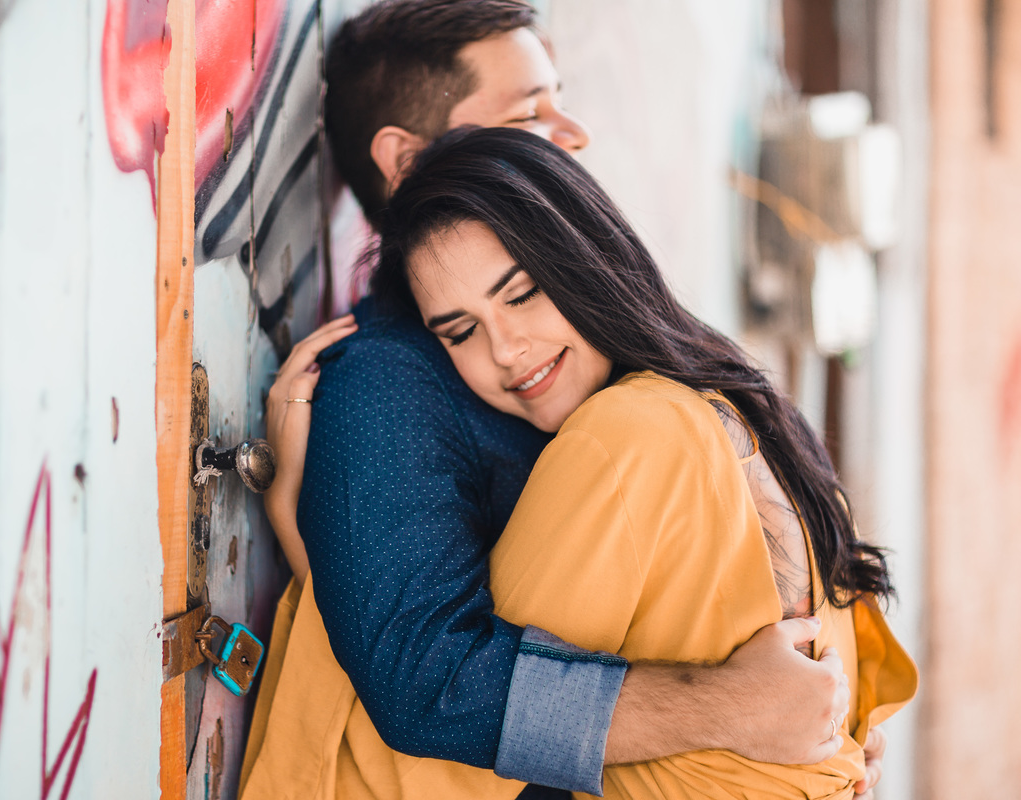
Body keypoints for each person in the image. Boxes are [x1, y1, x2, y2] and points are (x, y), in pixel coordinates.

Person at [241, 2, 876, 797]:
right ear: (408, 161)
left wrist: (838, 725)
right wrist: (731, 710)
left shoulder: (644, 373)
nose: (571, 136)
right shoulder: (390, 384)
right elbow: (424, 680)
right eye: (529, 117)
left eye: (524, 292)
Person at [359, 126, 918, 797]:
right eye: (461, 332)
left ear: (584, 256)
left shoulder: (620, 439)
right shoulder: (746, 413)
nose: (505, 349)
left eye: (522, 293)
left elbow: (450, 735)